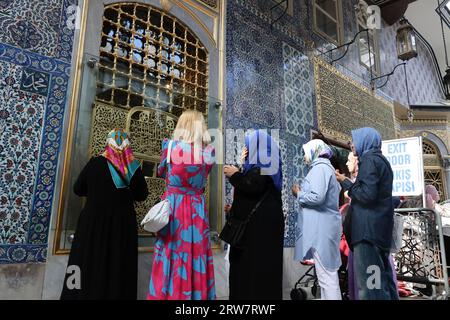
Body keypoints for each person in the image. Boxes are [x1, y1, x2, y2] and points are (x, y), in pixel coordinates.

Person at [60, 129, 149, 300]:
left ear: (108, 143)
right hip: (121, 226)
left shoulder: (94, 163)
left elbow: (78, 189)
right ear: (127, 145)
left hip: (92, 224)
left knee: (86, 262)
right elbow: (142, 195)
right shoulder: (132, 167)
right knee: (117, 265)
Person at [147, 110, 216, 300]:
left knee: (170, 252)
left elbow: (161, 172)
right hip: (196, 210)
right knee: (196, 253)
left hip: (173, 209)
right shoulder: (209, 151)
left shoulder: (169, 147)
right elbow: (204, 175)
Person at [335, 127, 398, 300]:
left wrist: (346, 183)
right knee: (382, 283)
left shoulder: (369, 160)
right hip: (377, 232)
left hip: (367, 234)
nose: (352, 144)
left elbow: (366, 194)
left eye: (354, 140)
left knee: (371, 287)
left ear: (365, 141)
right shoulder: (380, 161)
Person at [224, 130, 284, 300]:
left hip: (256, 236)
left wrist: (235, 174)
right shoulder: (268, 167)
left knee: (252, 278)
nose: (246, 149)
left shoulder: (266, 166)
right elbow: (253, 194)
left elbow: (253, 186)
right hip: (261, 231)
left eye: (249, 145)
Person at [292, 139, 342, 300]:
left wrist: (299, 194)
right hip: (324, 227)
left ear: (315, 151)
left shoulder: (320, 169)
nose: (305, 157)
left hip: (322, 230)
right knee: (326, 276)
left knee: (327, 278)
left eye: (306, 152)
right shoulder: (326, 169)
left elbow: (318, 197)